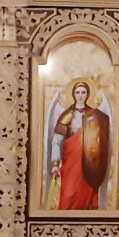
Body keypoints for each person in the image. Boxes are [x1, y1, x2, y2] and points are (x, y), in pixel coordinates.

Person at [49, 81, 110, 210]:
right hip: (71, 162)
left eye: (83, 92)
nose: (80, 95)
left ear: (88, 94)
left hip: (89, 162)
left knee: (86, 193)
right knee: (69, 194)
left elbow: (101, 140)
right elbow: (57, 140)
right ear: (73, 94)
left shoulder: (95, 115)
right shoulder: (66, 115)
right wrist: (55, 163)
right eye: (77, 92)